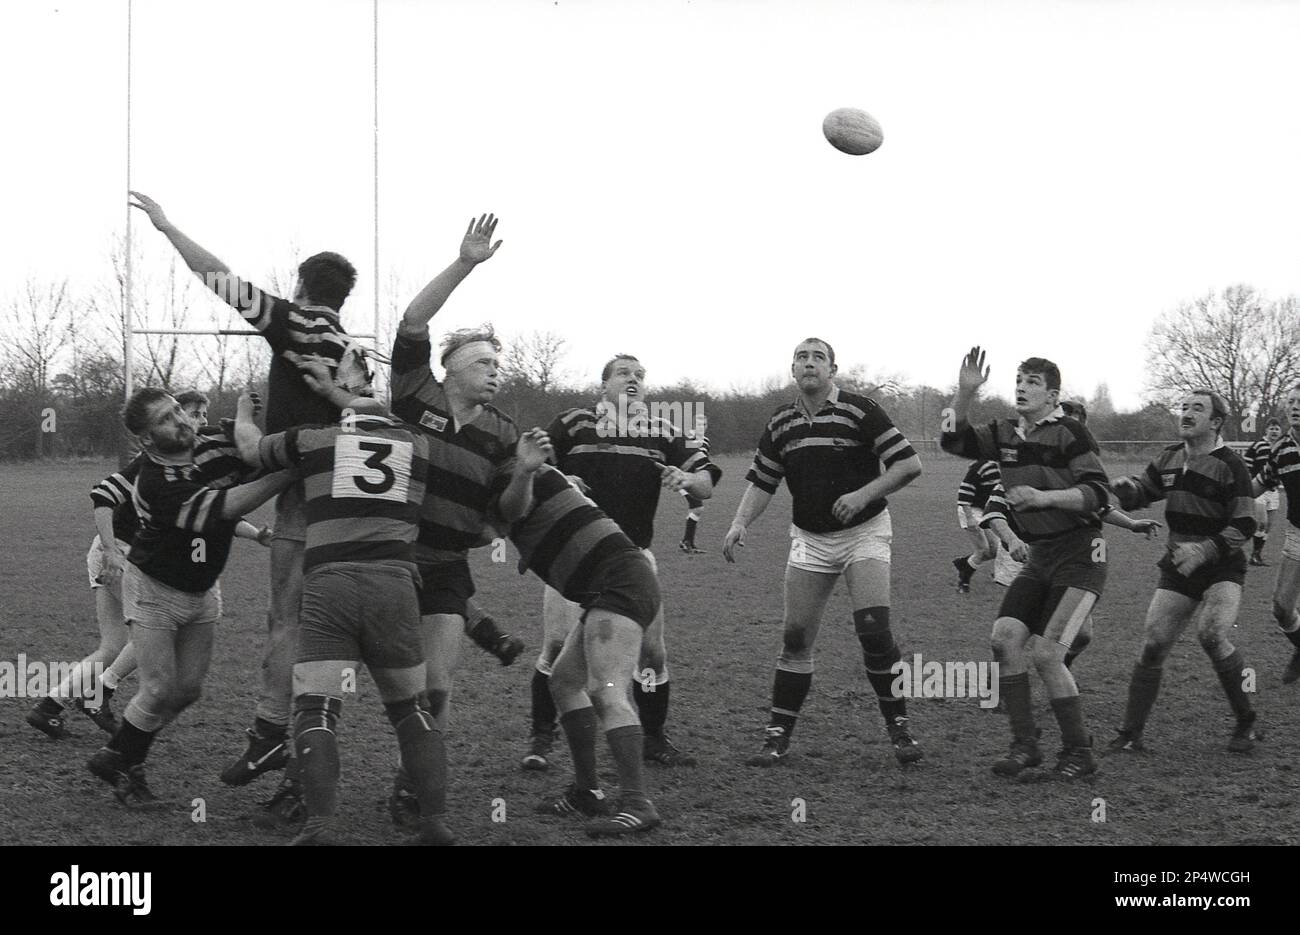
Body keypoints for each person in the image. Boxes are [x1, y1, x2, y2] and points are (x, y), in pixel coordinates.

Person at [128, 192, 372, 799]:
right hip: (354, 504)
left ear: (302, 284)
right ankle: (299, 770)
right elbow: (371, 420)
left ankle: (269, 733)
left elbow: (219, 279)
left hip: (302, 500)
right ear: (346, 296)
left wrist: (166, 225)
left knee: (287, 623)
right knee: (331, 635)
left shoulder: (296, 321)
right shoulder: (352, 352)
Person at [233, 383, 511, 845]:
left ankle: (320, 824)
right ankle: (434, 823)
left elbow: (248, 449)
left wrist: (245, 412)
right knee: (411, 708)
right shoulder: (416, 444)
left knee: (315, 708)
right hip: (396, 584)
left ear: (344, 424)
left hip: (330, 585)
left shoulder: (313, 440)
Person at [85, 389, 292, 807]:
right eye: (166, 418)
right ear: (147, 439)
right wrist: (292, 472)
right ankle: (130, 767)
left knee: (188, 691)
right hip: (154, 591)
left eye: (178, 410)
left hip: (202, 588)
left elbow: (255, 453)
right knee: (159, 688)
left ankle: (117, 755)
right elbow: (227, 505)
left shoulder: (212, 443)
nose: (181, 420)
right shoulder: (155, 482)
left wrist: (246, 419)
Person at [723, 338, 924, 767]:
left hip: (864, 532)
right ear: (792, 369)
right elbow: (763, 480)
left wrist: (863, 494)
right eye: (802, 357)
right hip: (811, 539)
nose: (809, 363)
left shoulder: (860, 410)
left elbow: (909, 464)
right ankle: (776, 737)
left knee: (873, 632)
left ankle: (899, 728)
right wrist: (740, 522)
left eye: (818, 357)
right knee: (794, 638)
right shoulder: (781, 422)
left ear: (833, 368)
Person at [27, 400, 270, 741]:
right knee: (156, 635)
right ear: (151, 436)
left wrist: (257, 533)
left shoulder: (195, 460)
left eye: (197, 414)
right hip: (125, 556)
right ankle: (101, 695)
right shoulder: (154, 464)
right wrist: (111, 550)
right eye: (189, 413)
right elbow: (102, 495)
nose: (196, 421)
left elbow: (213, 510)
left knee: (112, 646)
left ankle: (50, 707)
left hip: (120, 554)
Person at [522, 355, 720, 771]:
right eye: (624, 374)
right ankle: (541, 739)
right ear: (604, 385)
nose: (634, 380)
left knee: (652, 655)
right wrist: (559, 478)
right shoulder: (574, 423)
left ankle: (654, 739)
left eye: (641, 375)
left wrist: (686, 481)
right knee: (556, 647)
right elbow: (529, 469)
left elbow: (705, 484)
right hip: (572, 561)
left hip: (633, 562)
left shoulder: (663, 430)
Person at [940, 347, 1109, 781]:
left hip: (1081, 552)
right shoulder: (1004, 432)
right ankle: (1025, 744)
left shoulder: (1070, 432)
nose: (1021, 387)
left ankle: (1079, 751)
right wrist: (964, 394)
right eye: (1019, 379)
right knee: (1004, 639)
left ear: (1053, 395)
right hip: (1041, 556)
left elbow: (1097, 494)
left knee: (1048, 654)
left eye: (1032, 382)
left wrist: (1045, 498)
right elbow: (951, 440)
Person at [499, 464, 665, 836]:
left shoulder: (519, 479)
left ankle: (638, 804)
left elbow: (486, 527)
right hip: (607, 586)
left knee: (606, 690)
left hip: (620, 584)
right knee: (563, 681)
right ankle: (587, 792)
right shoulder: (532, 476)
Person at [1105, 390, 1260, 754]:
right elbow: (1144, 492)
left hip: (1221, 564)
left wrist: (1205, 549)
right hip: (1179, 564)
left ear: (1216, 422)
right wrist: (1127, 490)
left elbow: (1245, 523)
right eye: (1185, 407)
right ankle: (1131, 734)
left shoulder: (1230, 466)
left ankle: (1245, 722)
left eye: (1197, 409)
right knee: (1154, 644)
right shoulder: (1170, 457)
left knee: (1212, 634)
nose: (1187, 413)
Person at [1264, 388, 1300, 683]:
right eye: (1290, 402)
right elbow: (1256, 485)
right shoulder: (1280, 451)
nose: (1295, 407)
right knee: (1281, 608)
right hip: (1297, 536)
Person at [952, 459, 1016, 592]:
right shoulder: (981, 466)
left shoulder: (1009, 469)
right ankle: (963, 582)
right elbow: (963, 493)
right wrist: (970, 518)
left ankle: (965, 562)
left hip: (985, 510)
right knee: (982, 550)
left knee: (994, 550)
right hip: (970, 510)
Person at [1247, 419, 1283, 565]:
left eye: (1277, 429)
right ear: (1266, 430)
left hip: (1273, 491)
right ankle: (1254, 555)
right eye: (1272, 428)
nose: (1274, 431)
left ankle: (1257, 555)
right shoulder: (1258, 446)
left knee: (1269, 526)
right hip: (1258, 489)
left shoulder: (1280, 448)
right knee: (1262, 522)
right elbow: (1246, 465)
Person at [679, 413, 711, 554]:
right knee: (697, 508)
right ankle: (687, 542)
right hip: (684, 478)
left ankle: (687, 542)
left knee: (696, 509)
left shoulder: (705, 441)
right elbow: (685, 459)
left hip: (695, 480)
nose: (701, 427)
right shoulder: (688, 438)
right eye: (698, 424)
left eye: (704, 425)